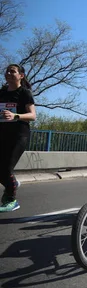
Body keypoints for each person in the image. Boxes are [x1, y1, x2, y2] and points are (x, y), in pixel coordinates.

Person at [0, 64, 36, 212]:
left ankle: (11, 199)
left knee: (6, 168)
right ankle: (13, 182)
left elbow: (33, 115)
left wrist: (16, 116)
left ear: (21, 75)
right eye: (7, 71)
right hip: (3, 134)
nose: (8, 73)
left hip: (19, 135)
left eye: (12, 71)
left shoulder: (24, 93)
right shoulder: (1, 92)